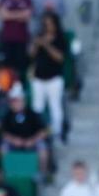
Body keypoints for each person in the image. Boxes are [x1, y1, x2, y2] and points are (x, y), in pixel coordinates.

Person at [29, 12, 67, 140]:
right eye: (46, 24)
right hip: (39, 78)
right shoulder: (39, 36)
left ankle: (57, 132)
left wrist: (46, 45)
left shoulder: (60, 38)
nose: (48, 26)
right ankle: (36, 132)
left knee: (55, 106)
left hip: (54, 78)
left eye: (50, 24)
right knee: (37, 107)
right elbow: (31, 55)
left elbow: (60, 58)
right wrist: (35, 44)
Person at [0, 0, 34, 78]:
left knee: (21, 67)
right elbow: (3, 15)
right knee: (8, 68)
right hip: (7, 39)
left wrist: (10, 14)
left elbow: (27, 16)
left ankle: (20, 90)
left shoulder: (26, 0)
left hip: (22, 39)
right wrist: (19, 15)